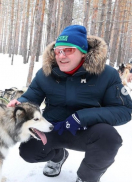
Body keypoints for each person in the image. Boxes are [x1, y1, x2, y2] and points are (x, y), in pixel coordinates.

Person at [7, 25, 132, 182]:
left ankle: (87, 177)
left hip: (88, 131)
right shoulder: (46, 73)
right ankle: (58, 156)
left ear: (83, 52)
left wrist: (83, 117)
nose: (61, 56)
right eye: (58, 51)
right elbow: (31, 97)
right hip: (54, 127)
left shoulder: (107, 74)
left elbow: (125, 110)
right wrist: (20, 104)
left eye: (69, 50)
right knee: (29, 151)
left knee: (109, 139)